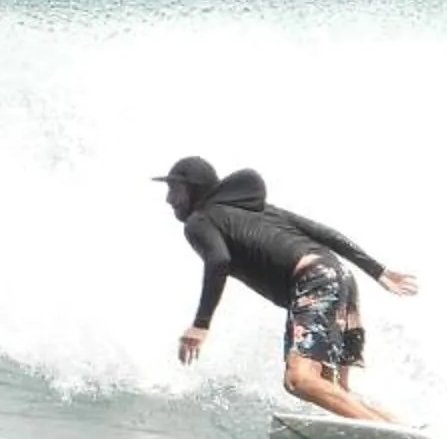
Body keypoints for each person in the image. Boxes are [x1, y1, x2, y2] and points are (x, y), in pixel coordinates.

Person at [155, 156, 420, 421]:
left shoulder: (199, 222)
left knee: (300, 379)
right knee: (333, 387)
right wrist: (378, 271)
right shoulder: (259, 210)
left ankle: (390, 433)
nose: (169, 200)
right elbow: (322, 232)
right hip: (340, 277)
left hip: (313, 280)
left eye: (175, 190)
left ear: (195, 189)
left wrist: (201, 324)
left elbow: (218, 260)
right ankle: (402, 427)